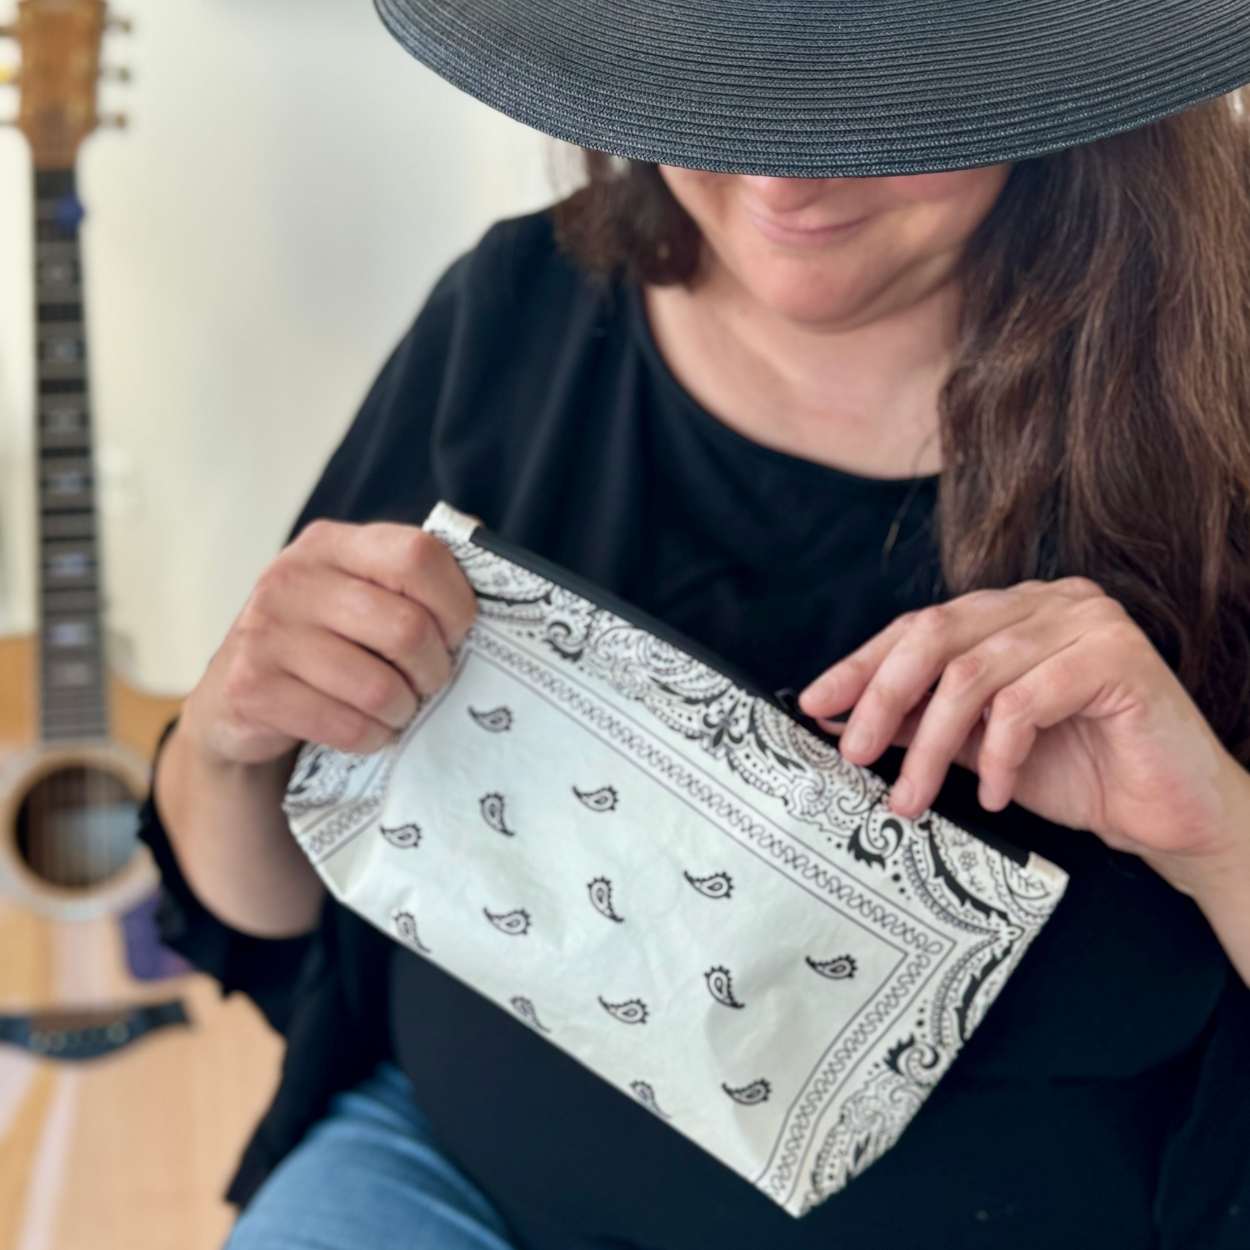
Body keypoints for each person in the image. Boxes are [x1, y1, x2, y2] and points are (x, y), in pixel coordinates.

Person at [138, 3, 1250, 1248]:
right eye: (716, 95)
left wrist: (1215, 830)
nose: (780, 177)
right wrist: (231, 736)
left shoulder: (1221, 415)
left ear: (1059, 87)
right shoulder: (521, 308)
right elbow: (261, 911)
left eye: (876, 105)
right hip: (445, 1186)